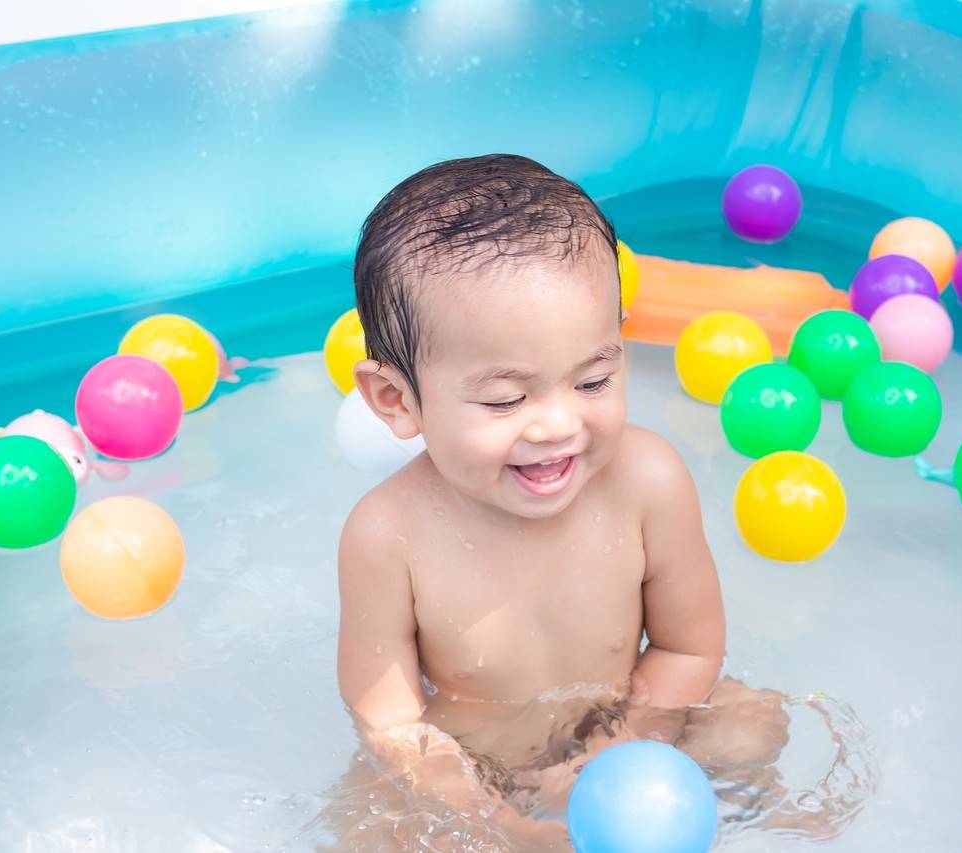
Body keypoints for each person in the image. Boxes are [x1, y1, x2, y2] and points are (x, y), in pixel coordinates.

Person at [335, 154, 786, 850]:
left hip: (626, 723)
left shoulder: (648, 481)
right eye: (506, 399)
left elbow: (687, 644)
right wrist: (493, 817)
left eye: (593, 380)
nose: (556, 425)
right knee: (368, 826)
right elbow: (390, 719)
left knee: (755, 720)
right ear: (397, 399)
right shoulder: (386, 534)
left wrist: (627, 741)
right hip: (474, 765)